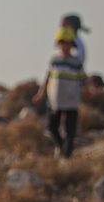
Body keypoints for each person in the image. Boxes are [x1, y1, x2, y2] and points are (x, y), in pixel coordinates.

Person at [33, 28, 85, 159]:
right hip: (55, 101)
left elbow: (83, 80)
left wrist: (88, 91)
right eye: (62, 42)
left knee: (70, 131)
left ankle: (66, 156)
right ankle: (62, 147)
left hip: (71, 101)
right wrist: (41, 93)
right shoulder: (54, 61)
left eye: (67, 43)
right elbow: (48, 77)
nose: (64, 46)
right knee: (51, 127)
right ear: (58, 44)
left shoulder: (76, 63)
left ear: (72, 44)